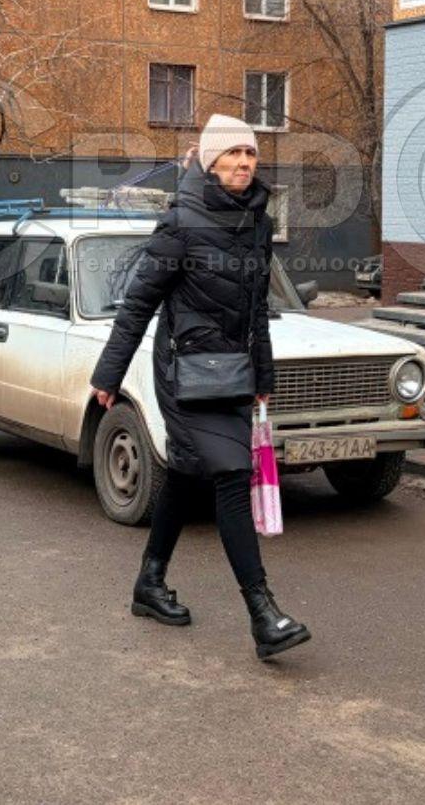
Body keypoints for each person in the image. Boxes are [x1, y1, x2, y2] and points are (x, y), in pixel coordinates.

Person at [89, 113, 310, 661]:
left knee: (186, 474)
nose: (243, 163)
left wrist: (264, 377)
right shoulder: (181, 222)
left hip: (233, 374)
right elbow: (139, 303)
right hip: (183, 375)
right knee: (232, 474)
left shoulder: (258, 222)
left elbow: (256, 311)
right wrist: (108, 375)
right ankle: (263, 615)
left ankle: (149, 583)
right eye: (232, 153)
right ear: (211, 161)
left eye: (250, 154)